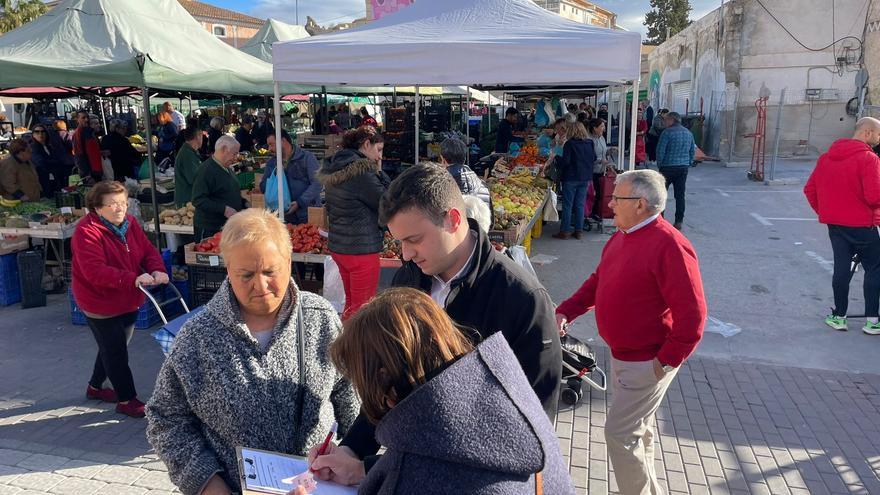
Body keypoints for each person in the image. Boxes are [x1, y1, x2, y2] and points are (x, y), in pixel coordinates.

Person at [308, 164, 563, 486]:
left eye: (414, 239)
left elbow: (530, 430)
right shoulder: (409, 278)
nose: (406, 253)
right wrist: (353, 449)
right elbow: (389, 382)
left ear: (453, 219)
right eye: (399, 241)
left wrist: (374, 468)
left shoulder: (522, 300)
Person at [146, 208, 359, 495]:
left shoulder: (320, 318)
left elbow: (350, 397)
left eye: (270, 271)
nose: (260, 286)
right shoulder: (198, 336)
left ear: (288, 259)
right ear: (227, 269)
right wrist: (207, 484)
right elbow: (166, 419)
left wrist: (350, 453)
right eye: (245, 275)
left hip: (318, 487)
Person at [324, 288, 575, 494]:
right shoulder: (509, 396)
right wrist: (362, 468)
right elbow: (462, 465)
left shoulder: (410, 479)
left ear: (383, 379)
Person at [555, 170, 707, 495]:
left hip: (647, 361)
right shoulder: (623, 235)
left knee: (620, 434)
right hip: (625, 356)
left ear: (640, 204)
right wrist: (567, 309)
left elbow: (692, 318)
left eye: (616, 197)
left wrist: (664, 362)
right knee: (638, 431)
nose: (609, 202)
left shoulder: (670, 246)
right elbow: (599, 281)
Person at [71, 181, 169, 419]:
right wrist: (133, 278)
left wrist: (157, 269)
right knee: (116, 351)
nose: (120, 209)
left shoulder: (130, 224)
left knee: (113, 345)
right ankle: (127, 399)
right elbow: (94, 271)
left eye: (123, 203)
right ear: (97, 207)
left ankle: (95, 387)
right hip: (99, 302)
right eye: (113, 204)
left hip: (129, 297)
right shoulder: (86, 232)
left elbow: (147, 250)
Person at [804, 117, 880, 334]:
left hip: (836, 226)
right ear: (867, 132)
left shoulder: (826, 158)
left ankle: (839, 316)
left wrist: (827, 212)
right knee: (874, 269)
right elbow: (875, 197)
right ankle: (873, 321)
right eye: (878, 134)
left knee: (841, 268)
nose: (878, 138)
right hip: (864, 226)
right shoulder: (869, 159)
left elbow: (810, 190)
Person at [316, 127, 389, 320]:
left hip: (340, 246)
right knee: (363, 309)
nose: (380, 156)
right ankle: (354, 347)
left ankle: (344, 343)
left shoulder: (337, 166)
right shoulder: (363, 171)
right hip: (361, 248)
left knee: (352, 303)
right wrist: (380, 173)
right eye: (379, 149)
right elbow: (387, 201)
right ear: (366, 144)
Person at [259, 130, 322, 225]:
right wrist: (274, 175)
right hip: (283, 217)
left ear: (283, 141)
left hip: (307, 214)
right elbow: (263, 187)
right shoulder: (272, 163)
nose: (269, 149)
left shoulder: (306, 157)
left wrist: (300, 202)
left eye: (271, 144)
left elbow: (318, 183)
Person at [192, 135, 245, 239]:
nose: (236, 158)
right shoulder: (206, 170)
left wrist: (244, 203)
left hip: (226, 226)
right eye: (234, 154)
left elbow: (227, 192)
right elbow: (198, 199)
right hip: (210, 228)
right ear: (224, 149)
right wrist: (224, 209)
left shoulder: (227, 168)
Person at [553, 121, 596, 240]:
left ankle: (565, 231)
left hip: (571, 177)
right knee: (580, 204)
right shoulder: (590, 143)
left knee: (568, 205)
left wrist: (556, 156)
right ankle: (579, 231)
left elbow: (565, 161)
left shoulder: (570, 144)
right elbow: (594, 158)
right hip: (585, 178)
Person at [656, 111, 695, 230]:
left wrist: (660, 165)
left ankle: (660, 220)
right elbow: (692, 150)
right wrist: (688, 163)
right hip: (682, 168)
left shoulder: (667, 133)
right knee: (680, 195)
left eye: (666, 120)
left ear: (672, 120)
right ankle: (679, 221)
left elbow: (660, 150)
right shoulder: (688, 133)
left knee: (662, 194)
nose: (664, 122)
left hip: (667, 167)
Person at [438, 137, 491, 213]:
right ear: (464, 159)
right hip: (482, 224)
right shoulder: (482, 185)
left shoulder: (441, 185)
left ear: (443, 159)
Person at [29, 124, 64, 195]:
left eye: (42, 131)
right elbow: (40, 162)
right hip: (43, 180)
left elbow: (59, 159)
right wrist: (54, 163)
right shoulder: (33, 147)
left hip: (54, 178)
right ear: (33, 134)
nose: (40, 134)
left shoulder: (49, 146)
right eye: (37, 132)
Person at [174, 125, 204, 208]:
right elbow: (194, 178)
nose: (203, 139)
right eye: (202, 136)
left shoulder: (191, 152)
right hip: (186, 201)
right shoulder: (187, 154)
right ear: (197, 137)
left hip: (189, 198)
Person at [588, 118, 611, 219]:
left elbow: (604, 152)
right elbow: (588, 156)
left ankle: (596, 212)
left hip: (602, 170)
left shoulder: (602, 138)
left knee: (599, 192)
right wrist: (600, 160)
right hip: (592, 170)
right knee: (593, 193)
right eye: (601, 126)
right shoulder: (589, 140)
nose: (604, 128)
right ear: (594, 128)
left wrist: (610, 150)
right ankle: (591, 213)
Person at [73, 110, 103, 183]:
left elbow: (91, 151)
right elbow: (79, 156)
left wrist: (101, 152)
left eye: (87, 117)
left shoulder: (89, 132)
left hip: (97, 171)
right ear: (77, 119)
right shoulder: (78, 134)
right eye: (83, 118)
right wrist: (87, 175)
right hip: (90, 173)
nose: (86, 120)